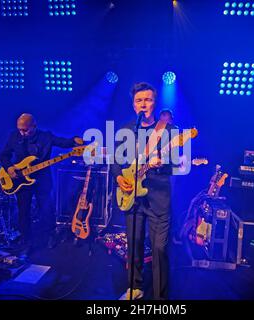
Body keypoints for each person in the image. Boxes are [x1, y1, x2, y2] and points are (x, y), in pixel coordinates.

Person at [111, 83, 176, 300]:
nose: (143, 104)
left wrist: (162, 164)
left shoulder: (167, 130)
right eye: (139, 101)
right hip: (133, 197)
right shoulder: (125, 130)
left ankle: (160, 298)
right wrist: (120, 177)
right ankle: (135, 287)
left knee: (159, 249)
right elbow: (116, 161)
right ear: (133, 105)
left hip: (158, 198)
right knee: (134, 245)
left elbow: (177, 163)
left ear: (154, 103)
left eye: (147, 100)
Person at [0, 113, 83, 257]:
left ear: (34, 126)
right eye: (20, 129)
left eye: (26, 130)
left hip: (42, 178)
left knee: (45, 208)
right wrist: (9, 168)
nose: (22, 133)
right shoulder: (14, 136)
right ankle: (26, 241)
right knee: (23, 211)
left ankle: (49, 237)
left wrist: (74, 140)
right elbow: (4, 155)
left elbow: (62, 142)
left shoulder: (45, 137)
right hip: (20, 181)